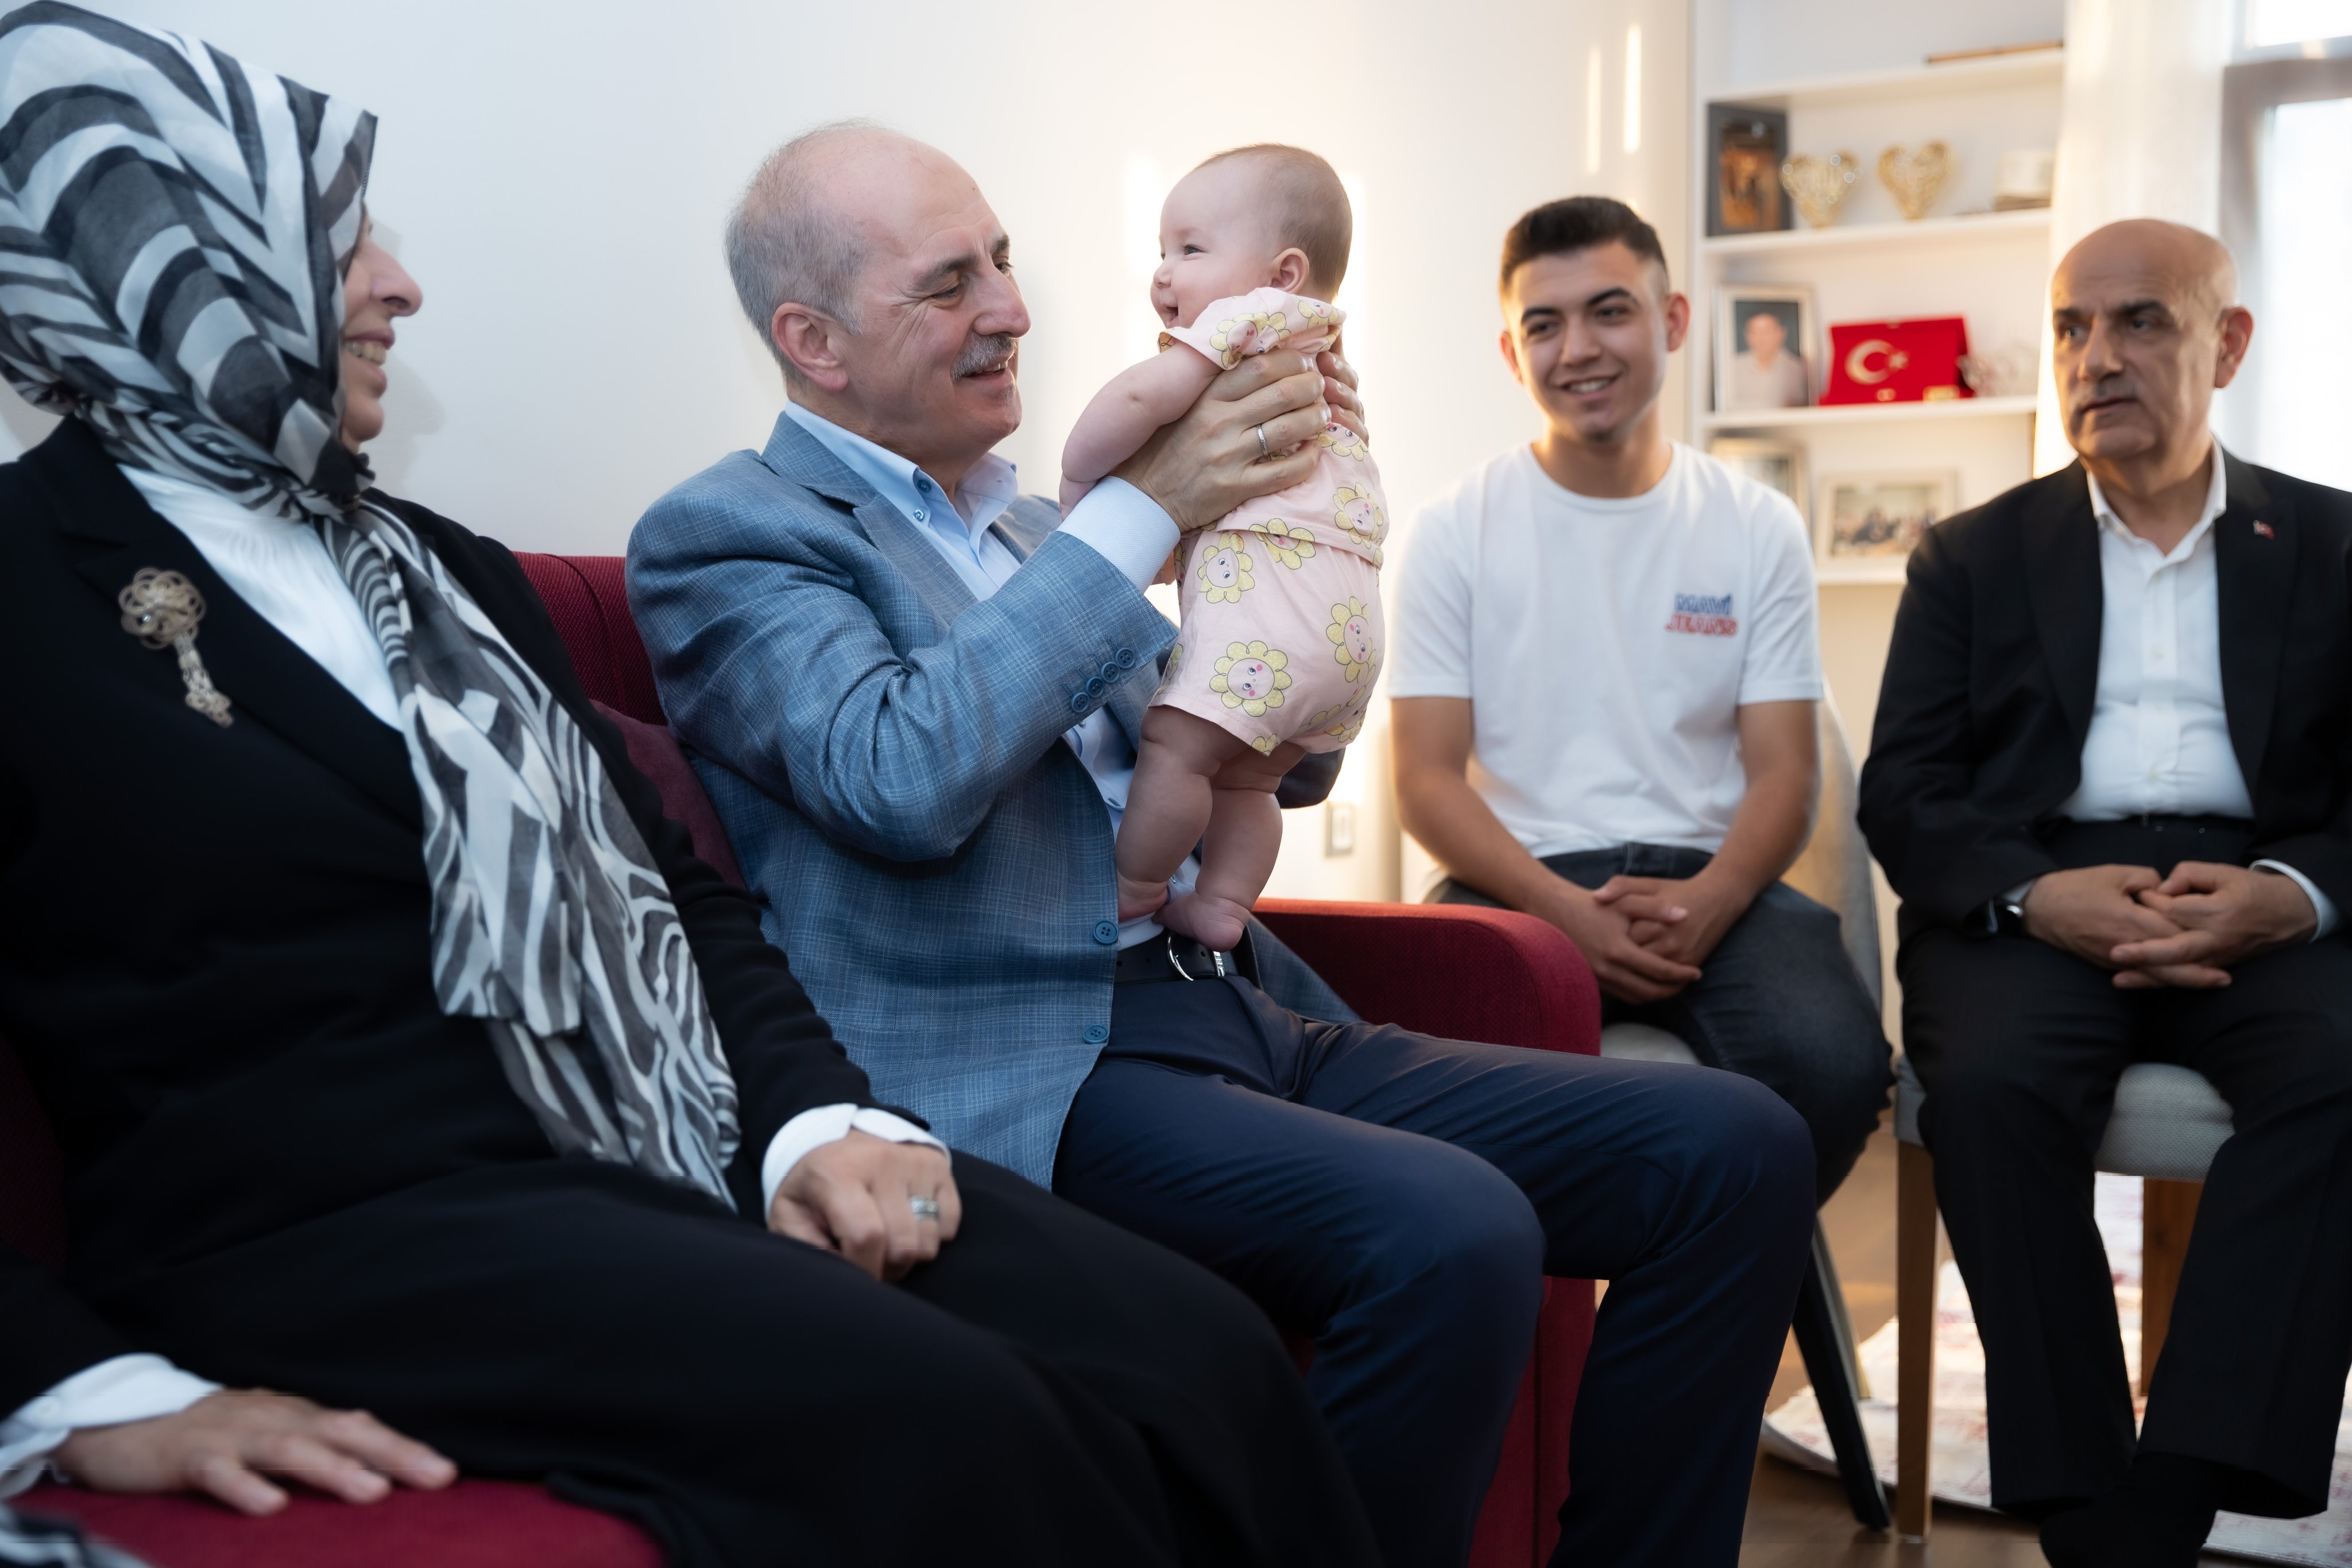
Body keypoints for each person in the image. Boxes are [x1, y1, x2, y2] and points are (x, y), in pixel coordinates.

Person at [0, 13, 1383, 1566]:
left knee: (1202, 1351)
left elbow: (683, 891)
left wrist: (813, 1122)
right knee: (959, 1418)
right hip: (337, 1227)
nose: (400, 285)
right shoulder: (24, 592)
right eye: (340, 243)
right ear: (159, 258)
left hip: (665, 1141)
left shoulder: (443, 574)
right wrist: (74, 1390)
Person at [629, 123, 1816, 1568]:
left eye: (1003, 261)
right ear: (811, 341)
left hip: (1233, 1006)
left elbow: (1279, 767)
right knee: (1451, 1232)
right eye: (952, 283)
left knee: (1736, 1147)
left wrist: (1304, 559)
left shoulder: (1036, 532)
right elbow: (897, 777)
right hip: (1039, 1067)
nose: (1013, 308)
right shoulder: (730, 534)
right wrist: (1145, 517)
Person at [1858, 218, 2352, 1568]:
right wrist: (2036, 898)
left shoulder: (2330, 541)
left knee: (2342, 1071)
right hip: (2037, 896)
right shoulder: (1968, 556)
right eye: (2072, 327)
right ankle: (2088, 1505)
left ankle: (2173, 1486)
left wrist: (2292, 896)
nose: (2096, 356)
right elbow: (1906, 790)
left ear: (2226, 344)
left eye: (2139, 321)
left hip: (2260, 894)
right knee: (1989, 1090)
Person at [1390, 196, 1891, 1208]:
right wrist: (1561, 913)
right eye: (1544, 324)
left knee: (1835, 1071)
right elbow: (1426, 782)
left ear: (1672, 321)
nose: (1578, 348)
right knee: (1429, 1100)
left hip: (1715, 885)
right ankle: (1605, 1290)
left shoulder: (1755, 524)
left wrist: (1711, 902)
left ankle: (1697, 1284)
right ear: (1511, 352)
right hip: (1515, 885)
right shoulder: (1452, 529)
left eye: (1609, 311)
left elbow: (1787, 774)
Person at [1061, 144, 1388, 951]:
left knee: (1176, 748)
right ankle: (1224, 905)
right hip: (1348, 644)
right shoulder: (1326, 358)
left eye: (1190, 248)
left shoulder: (1247, 323)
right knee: (1250, 781)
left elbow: (1141, 397)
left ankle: (1135, 885)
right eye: (1162, 250)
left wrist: (1079, 473)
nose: (1163, 273)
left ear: (1283, 273)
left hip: (1267, 637)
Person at [1726, 306, 1809, 409]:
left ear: (1781, 333)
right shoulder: (1732, 366)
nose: (1761, 339)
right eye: (1755, 332)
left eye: (1767, 332)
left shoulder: (1798, 368)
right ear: (1747, 336)